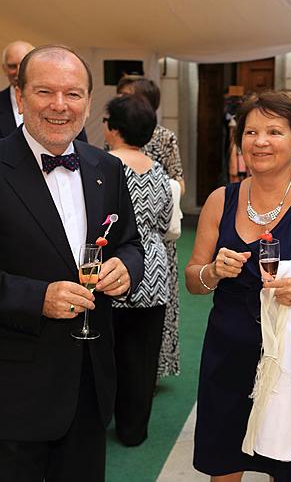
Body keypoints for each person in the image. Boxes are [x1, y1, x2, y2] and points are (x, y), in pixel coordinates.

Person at [0, 45, 143, 482]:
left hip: (90, 379)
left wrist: (127, 268)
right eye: (45, 91)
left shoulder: (107, 168)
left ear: (88, 100)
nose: (60, 105)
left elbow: (130, 243)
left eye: (74, 94)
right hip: (15, 387)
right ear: (20, 97)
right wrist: (36, 297)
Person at [186, 91, 291, 481]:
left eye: (274, 131)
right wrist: (213, 271)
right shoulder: (220, 200)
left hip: (288, 357)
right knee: (223, 462)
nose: (260, 141)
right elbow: (193, 279)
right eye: (251, 132)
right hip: (227, 354)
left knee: (285, 464)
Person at [103, 94, 172, 446]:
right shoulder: (157, 168)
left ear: (113, 128)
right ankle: (134, 430)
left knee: (104, 351)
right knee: (142, 355)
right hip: (154, 267)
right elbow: (163, 220)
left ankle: (98, 419)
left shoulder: (101, 165)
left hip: (112, 266)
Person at [116, 74, 184, 379]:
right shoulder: (113, 145)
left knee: (155, 312)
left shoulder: (164, 137)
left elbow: (178, 180)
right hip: (142, 232)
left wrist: (159, 192)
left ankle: (151, 369)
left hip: (155, 233)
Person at [0, 41, 87, 148]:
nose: (18, 71)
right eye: (12, 66)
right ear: (4, 69)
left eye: (22, 64)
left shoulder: (71, 106)